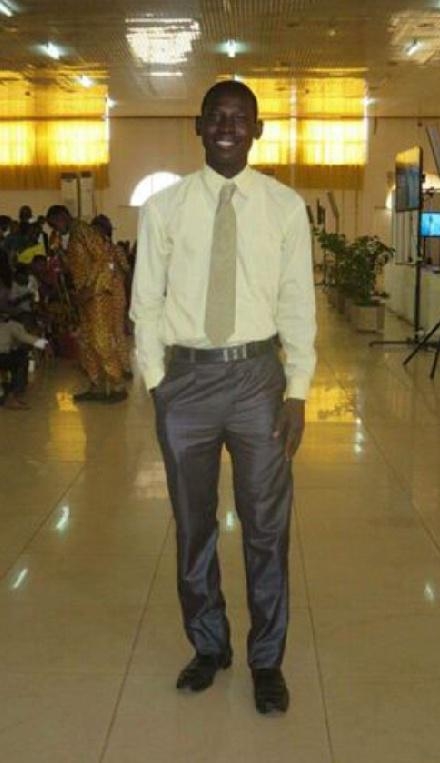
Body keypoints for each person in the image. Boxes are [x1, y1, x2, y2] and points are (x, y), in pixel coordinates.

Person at [130, 80, 316, 715]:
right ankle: (209, 646)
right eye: (217, 116)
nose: (228, 126)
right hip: (185, 384)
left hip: (258, 381)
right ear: (199, 126)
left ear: (258, 130)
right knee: (193, 525)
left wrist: (297, 390)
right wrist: (158, 382)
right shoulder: (165, 208)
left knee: (266, 528)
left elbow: (297, 301)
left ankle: (267, 659)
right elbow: (145, 301)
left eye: (241, 117)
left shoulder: (284, 208)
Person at [46, 205, 127, 404]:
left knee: (101, 340)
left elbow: (105, 260)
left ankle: (117, 384)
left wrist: (92, 289)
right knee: (86, 341)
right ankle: (96, 384)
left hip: (97, 294)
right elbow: (70, 267)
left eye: (55, 223)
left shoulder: (84, 231)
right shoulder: (66, 238)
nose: (55, 229)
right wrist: (58, 251)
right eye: (52, 226)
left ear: (64, 216)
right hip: (81, 295)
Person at [91, 214, 133, 379]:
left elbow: (126, 271)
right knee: (102, 333)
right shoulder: (92, 253)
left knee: (117, 331)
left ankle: (124, 366)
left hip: (115, 295)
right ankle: (107, 368)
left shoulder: (115, 250)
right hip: (98, 297)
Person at [0, 313, 48, 409]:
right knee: (20, 361)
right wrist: (44, 344)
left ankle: (6, 392)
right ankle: (11, 398)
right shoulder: (14, 325)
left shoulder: (5, 324)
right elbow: (24, 338)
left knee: (14, 358)